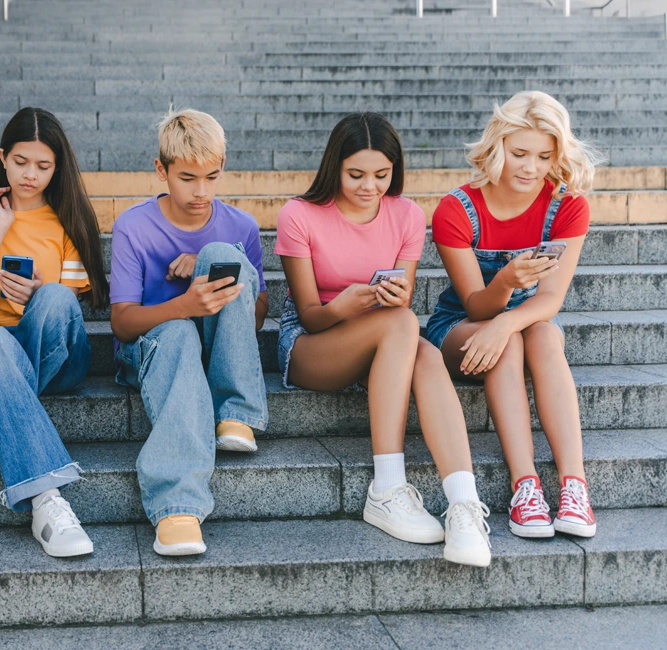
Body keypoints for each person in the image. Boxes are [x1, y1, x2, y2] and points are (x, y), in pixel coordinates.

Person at [275, 112, 492, 567]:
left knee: (426, 353)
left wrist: (391, 298)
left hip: (385, 340)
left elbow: (401, 301)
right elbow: (311, 317)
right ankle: (387, 488)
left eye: (381, 174)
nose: (369, 186)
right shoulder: (299, 214)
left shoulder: (408, 215)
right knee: (403, 327)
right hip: (312, 345)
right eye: (355, 174)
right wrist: (344, 307)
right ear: (334, 166)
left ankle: (463, 505)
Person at [427, 91, 601, 540]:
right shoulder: (456, 209)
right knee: (512, 340)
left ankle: (574, 486)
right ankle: (525, 485)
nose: (531, 167)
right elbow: (476, 305)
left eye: (544, 156)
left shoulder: (568, 205)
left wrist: (507, 321)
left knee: (540, 334)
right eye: (519, 152)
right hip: (461, 329)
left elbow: (550, 299)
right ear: (496, 146)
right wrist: (504, 283)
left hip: (522, 325)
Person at [109, 108, 269, 556]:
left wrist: (208, 263)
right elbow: (121, 324)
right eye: (187, 178)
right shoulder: (134, 226)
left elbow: (257, 315)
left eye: (212, 177)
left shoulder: (241, 227)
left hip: (218, 348)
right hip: (152, 350)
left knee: (223, 253)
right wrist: (183, 304)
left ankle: (236, 410)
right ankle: (177, 504)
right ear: (161, 170)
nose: (201, 192)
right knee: (179, 332)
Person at [0, 107, 109, 557]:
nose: (30, 175)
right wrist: (1, 226)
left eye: (43, 166)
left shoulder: (66, 221)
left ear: (57, 168)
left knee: (56, 298)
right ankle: (47, 504)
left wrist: (39, 292)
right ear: (3, 158)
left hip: (58, 360)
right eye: (21, 162)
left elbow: (67, 313)